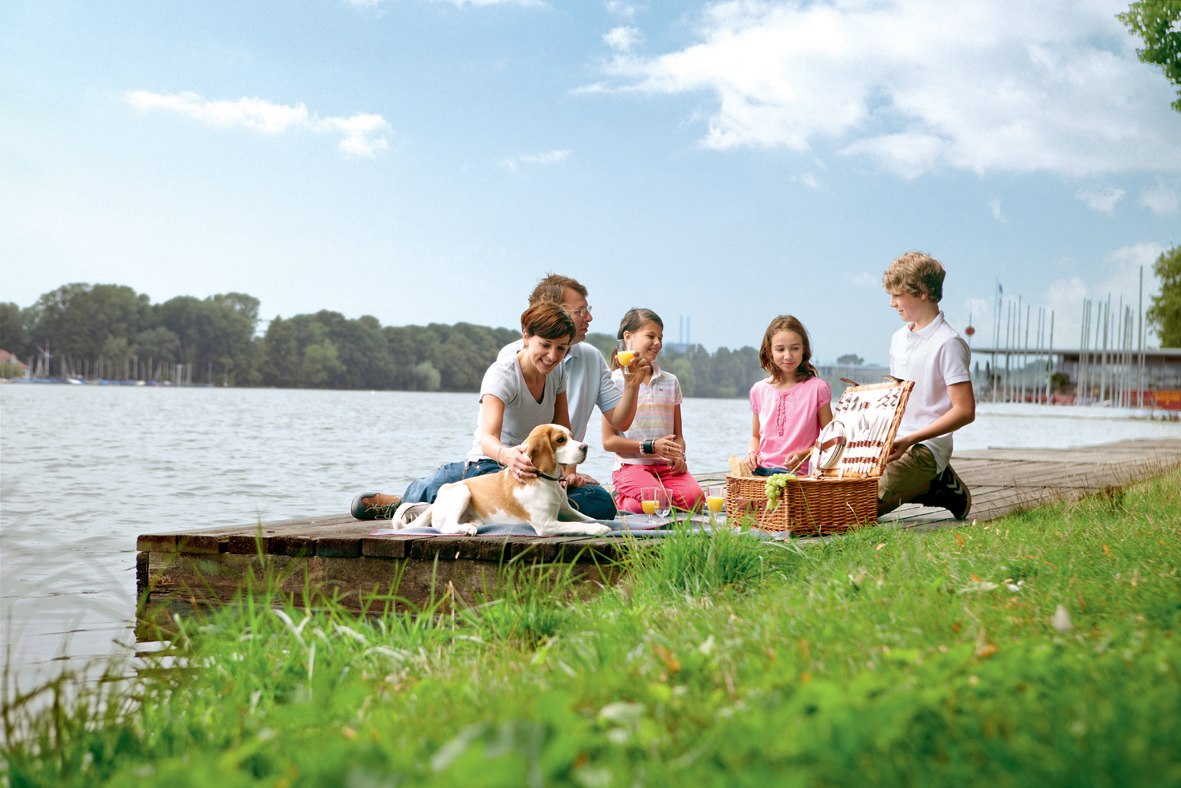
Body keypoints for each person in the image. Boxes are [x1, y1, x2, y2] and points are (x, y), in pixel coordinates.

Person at [355, 301, 617, 519]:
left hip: (535, 472)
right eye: (545, 345)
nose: (552, 355)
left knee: (602, 501)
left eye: (562, 348)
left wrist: (567, 474)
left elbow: (563, 429)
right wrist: (510, 457)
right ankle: (414, 505)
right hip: (490, 465)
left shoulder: (557, 371)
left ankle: (535, 511)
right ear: (526, 337)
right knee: (463, 485)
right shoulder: (502, 374)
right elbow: (488, 438)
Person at [492, 274, 646, 520]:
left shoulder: (591, 358)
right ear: (555, 313)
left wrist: (632, 385)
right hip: (510, 470)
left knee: (602, 502)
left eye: (588, 310)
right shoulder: (517, 356)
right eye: (581, 311)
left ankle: (542, 510)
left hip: (557, 475)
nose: (589, 317)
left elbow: (620, 421)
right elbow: (493, 436)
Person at [877, 251, 975, 519]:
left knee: (859, 506)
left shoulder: (948, 343)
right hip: (895, 442)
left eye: (897, 295)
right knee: (844, 486)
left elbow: (965, 411)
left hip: (925, 447)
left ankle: (934, 478)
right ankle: (930, 485)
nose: (891, 303)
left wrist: (912, 438)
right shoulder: (898, 338)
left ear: (921, 292)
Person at [601, 308, 703, 514]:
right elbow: (609, 442)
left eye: (660, 337)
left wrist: (679, 456)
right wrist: (650, 447)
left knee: (696, 500)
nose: (657, 342)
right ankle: (624, 499)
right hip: (630, 466)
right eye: (651, 336)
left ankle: (642, 501)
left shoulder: (670, 381)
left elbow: (678, 436)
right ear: (628, 338)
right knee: (657, 502)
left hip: (666, 468)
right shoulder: (614, 382)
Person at [745, 315, 833, 476]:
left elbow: (831, 441)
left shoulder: (818, 388)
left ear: (804, 350)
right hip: (761, 472)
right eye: (780, 349)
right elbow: (755, 436)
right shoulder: (758, 390)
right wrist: (752, 453)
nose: (788, 356)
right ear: (769, 352)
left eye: (794, 348)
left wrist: (803, 455)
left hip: (800, 475)